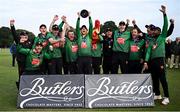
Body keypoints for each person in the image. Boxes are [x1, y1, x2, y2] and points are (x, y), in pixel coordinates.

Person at [144, 5, 170, 105]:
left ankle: (166, 97)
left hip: (160, 60)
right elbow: (149, 52)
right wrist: (146, 61)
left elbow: (165, 25)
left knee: (162, 78)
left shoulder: (162, 36)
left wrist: (164, 14)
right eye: (153, 30)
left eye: (155, 30)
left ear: (158, 31)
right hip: (152, 61)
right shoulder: (150, 40)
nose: (154, 31)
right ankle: (157, 94)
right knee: (154, 78)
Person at [10, 19, 33, 89]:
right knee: (21, 74)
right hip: (21, 61)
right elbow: (14, 33)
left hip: (28, 62)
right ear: (20, 36)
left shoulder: (29, 41)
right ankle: (21, 88)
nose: (24, 37)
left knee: (29, 74)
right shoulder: (18, 41)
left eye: (25, 36)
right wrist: (12, 25)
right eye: (22, 36)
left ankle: (28, 87)